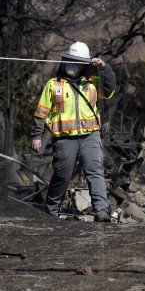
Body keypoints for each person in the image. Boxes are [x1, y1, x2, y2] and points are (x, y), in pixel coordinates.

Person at [31, 41, 116, 222]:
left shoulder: (93, 83)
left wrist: (105, 68)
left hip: (90, 135)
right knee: (62, 175)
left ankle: (101, 211)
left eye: (77, 61)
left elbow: (110, 89)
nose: (73, 65)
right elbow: (41, 112)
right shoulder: (53, 85)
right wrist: (36, 136)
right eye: (71, 60)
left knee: (95, 171)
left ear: (84, 65)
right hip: (64, 138)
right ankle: (51, 211)